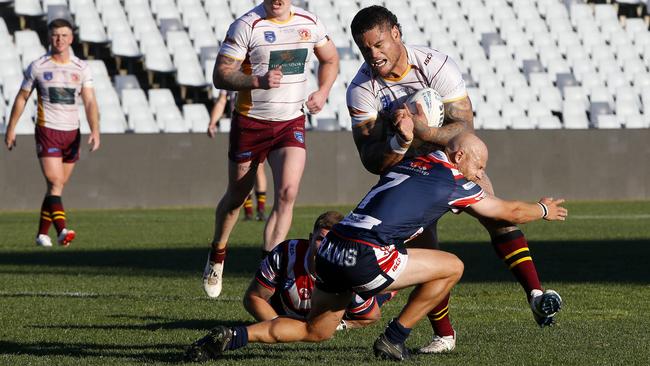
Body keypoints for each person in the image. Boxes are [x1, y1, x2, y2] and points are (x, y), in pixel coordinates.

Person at [184, 133, 568, 362]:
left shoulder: (412, 164)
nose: (480, 174)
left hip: (332, 250)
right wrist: (544, 209)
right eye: (478, 165)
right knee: (452, 266)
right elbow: (506, 211)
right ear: (459, 156)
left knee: (317, 332)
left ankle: (233, 337)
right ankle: (394, 338)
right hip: (367, 255)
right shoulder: (453, 178)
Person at [346, 5, 562, 353]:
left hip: (453, 162)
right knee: (426, 255)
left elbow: (465, 126)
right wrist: (398, 141)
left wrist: (422, 129)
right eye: (365, 48)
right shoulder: (361, 89)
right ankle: (444, 336)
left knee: (498, 217)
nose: (374, 54)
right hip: (410, 174)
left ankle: (536, 294)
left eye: (379, 44)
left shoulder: (435, 65)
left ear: (396, 35)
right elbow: (370, 158)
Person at [202, 0, 339, 298]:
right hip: (250, 124)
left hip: (290, 122)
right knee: (237, 197)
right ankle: (218, 252)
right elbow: (220, 74)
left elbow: (330, 59)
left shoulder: (310, 22)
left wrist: (323, 91)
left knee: (287, 193)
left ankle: (268, 272)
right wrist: (256, 80)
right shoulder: (247, 25)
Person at [3, 18, 100, 248]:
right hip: (48, 130)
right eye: (55, 35)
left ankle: (41, 234)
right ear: (49, 37)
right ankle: (62, 230)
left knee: (56, 187)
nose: (59, 39)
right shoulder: (38, 66)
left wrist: (95, 129)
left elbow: (89, 101)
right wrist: (11, 127)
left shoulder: (81, 68)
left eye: (64, 35)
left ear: (71, 38)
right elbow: (22, 97)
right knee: (55, 181)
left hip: (72, 133)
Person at [244, 210, 395, 328]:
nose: (325, 247)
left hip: (353, 292)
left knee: (384, 288)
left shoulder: (348, 269)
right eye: (320, 239)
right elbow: (253, 298)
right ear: (310, 239)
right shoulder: (286, 254)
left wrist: (341, 326)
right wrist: (279, 325)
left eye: (333, 241)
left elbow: (371, 316)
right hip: (285, 313)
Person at [208, 90, 268, 222]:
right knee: (243, 170)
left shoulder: (255, 73)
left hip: (259, 125)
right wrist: (212, 122)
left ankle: (260, 210)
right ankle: (248, 211)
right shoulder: (231, 77)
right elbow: (222, 100)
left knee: (258, 167)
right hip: (240, 128)